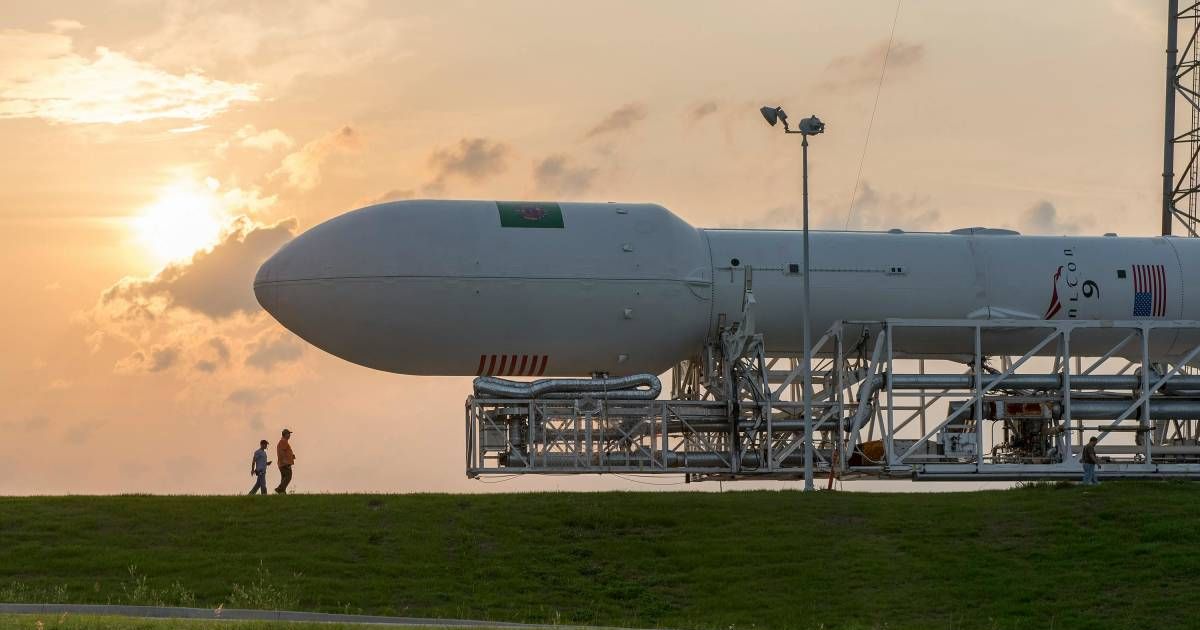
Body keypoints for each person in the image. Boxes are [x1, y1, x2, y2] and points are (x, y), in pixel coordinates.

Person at [275, 429, 296, 494]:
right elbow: (281, 452)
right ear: (285, 434)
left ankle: (282, 493)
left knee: (284, 478)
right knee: (288, 476)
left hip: (283, 463)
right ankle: (279, 489)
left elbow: (284, 452)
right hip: (284, 464)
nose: (289, 435)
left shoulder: (284, 442)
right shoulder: (283, 441)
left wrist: (291, 456)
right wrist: (285, 461)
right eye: (288, 434)